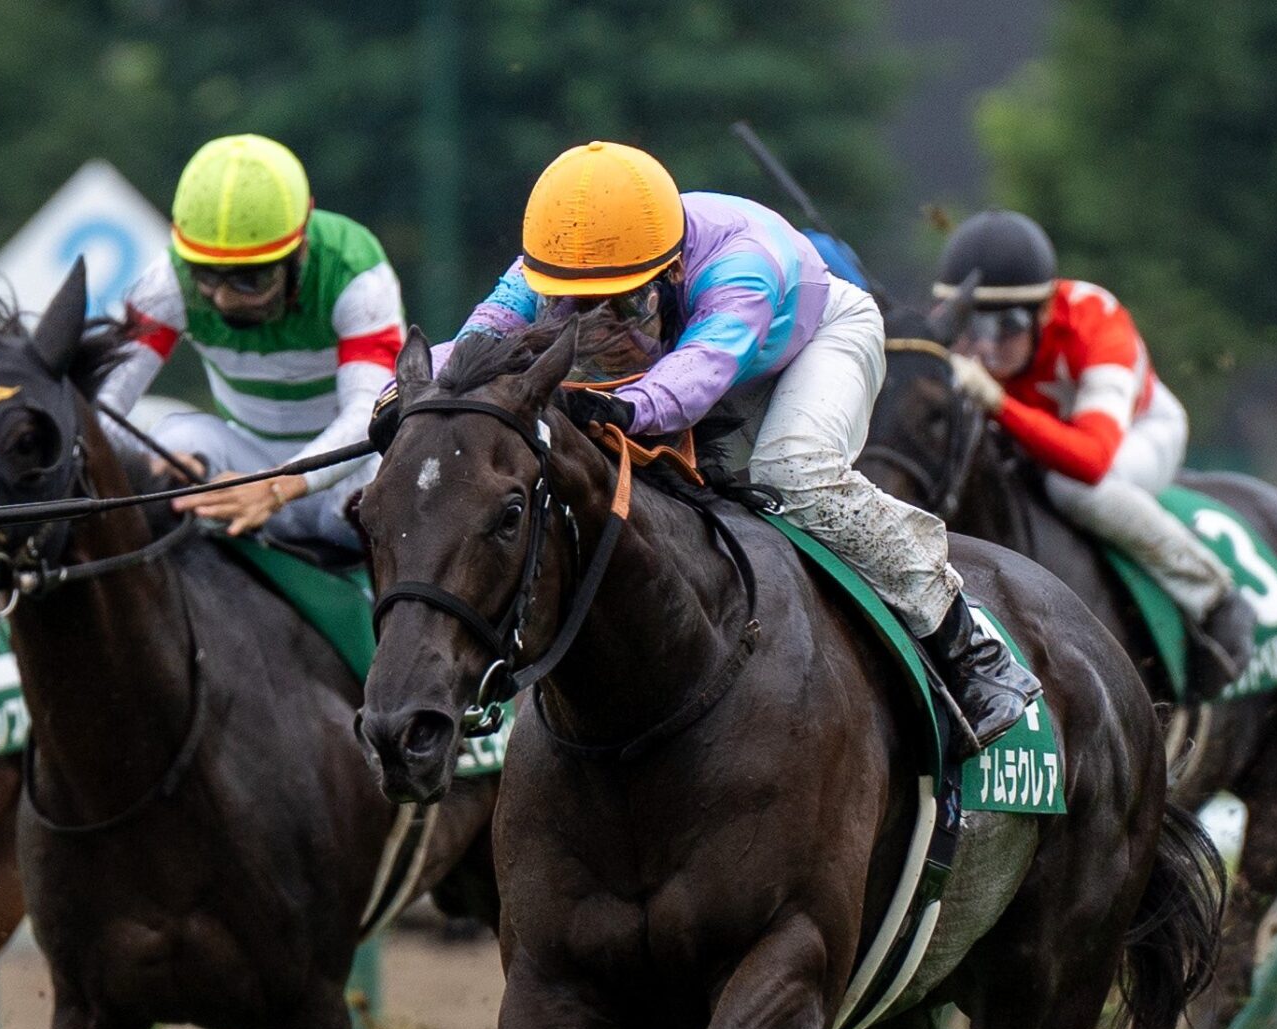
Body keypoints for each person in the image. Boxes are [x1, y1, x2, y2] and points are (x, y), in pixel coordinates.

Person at [442, 140, 1037, 749]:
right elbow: (475, 343)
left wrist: (620, 407)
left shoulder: (740, 267)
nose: (602, 329)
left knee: (792, 471)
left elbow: (697, 375)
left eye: (624, 305)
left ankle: (968, 648)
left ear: (673, 272)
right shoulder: (561, 258)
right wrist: (409, 393)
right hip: (695, 362)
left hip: (813, 339)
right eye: (574, 306)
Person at [935, 209, 1254, 693]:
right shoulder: (973, 339)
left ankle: (1213, 593)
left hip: (1138, 434)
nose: (984, 346)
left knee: (1071, 489)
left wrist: (999, 403)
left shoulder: (1096, 324)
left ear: (1045, 312)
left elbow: (1090, 460)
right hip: (1038, 440)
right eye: (970, 324)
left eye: (1007, 325)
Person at [100, 133, 400, 554]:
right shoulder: (166, 282)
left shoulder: (354, 272)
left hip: (350, 474)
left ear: (300, 251)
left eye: (250, 279)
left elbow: (368, 415)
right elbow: (100, 409)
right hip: (245, 464)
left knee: (394, 491)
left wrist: (278, 486)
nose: (224, 299)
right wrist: (149, 468)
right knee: (173, 443)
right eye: (205, 275)